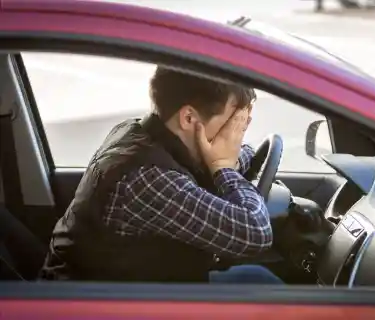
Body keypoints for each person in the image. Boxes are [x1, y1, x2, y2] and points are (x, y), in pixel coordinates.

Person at [40, 67, 282, 284]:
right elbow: (256, 233)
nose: (235, 133)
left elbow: (239, 152)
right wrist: (224, 168)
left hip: (135, 290)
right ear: (189, 118)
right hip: (98, 308)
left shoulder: (137, 131)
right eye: (232, 122)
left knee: (258, 279)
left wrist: (229, 160)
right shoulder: (148, 179)